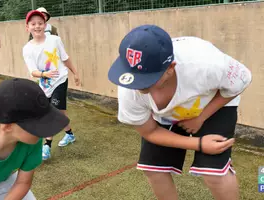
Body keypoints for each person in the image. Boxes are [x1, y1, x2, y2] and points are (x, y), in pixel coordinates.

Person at [108, 25, 252, 200]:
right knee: (153, 169)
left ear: (170, 68)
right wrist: (198, 144)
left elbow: (241, 81)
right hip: (168, 115)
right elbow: (150, 131)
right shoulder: (128, 86)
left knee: (214, 173)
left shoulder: (207, 63)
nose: (136, 86)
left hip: (210, 102)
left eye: (146, 81)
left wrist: (201, 117)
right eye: (133, 78)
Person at [0, 78, 70, 199]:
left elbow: (23, 183)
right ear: (7, 126)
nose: (43, 131)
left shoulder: (32, 139)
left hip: (0, 181)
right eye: (37, 125)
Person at [23, 10, 80, 161]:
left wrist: (75, 73)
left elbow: (65, 58)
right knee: (60, 114)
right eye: (33, 24)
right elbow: (33, 71)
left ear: (45, 25)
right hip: (44, 84)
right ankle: (70, 134)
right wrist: (43, 74)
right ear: (27, 27)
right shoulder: (27, 49)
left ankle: (47, 145)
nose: (37, 26)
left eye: (40, 23)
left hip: (60, 80)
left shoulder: (55, 40)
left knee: (52, 112)